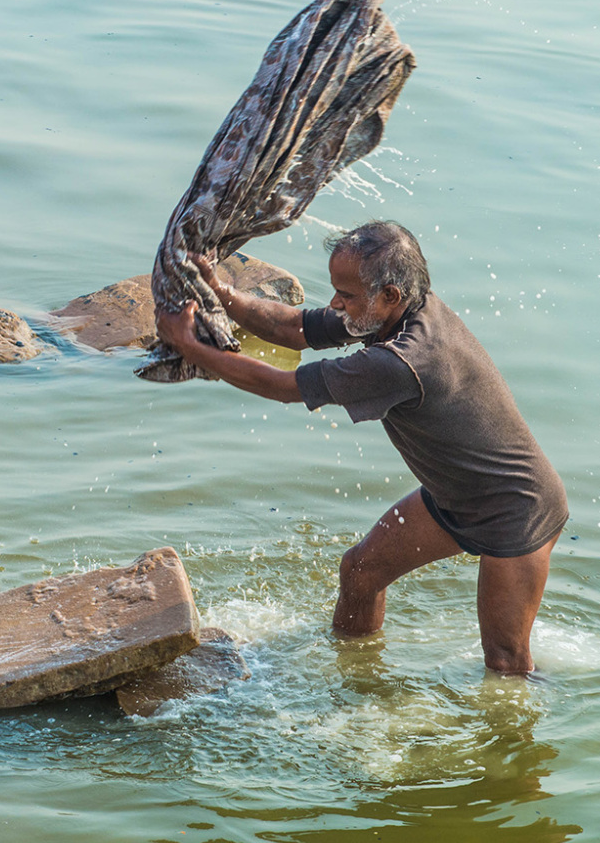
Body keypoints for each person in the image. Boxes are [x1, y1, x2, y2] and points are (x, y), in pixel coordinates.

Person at [152, 221, 567, 674]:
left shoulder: (403, 359)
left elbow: (282, 386)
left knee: (505, 661)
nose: (334, 304)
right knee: (360, 573)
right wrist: (220, 291)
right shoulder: (392, 310)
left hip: (516, 509)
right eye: (336, 291)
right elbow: (294, 328)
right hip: (455, 498)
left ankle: (524, 727)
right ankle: (357, 679)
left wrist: (190, 345)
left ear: (390, 294)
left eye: (345, 295)